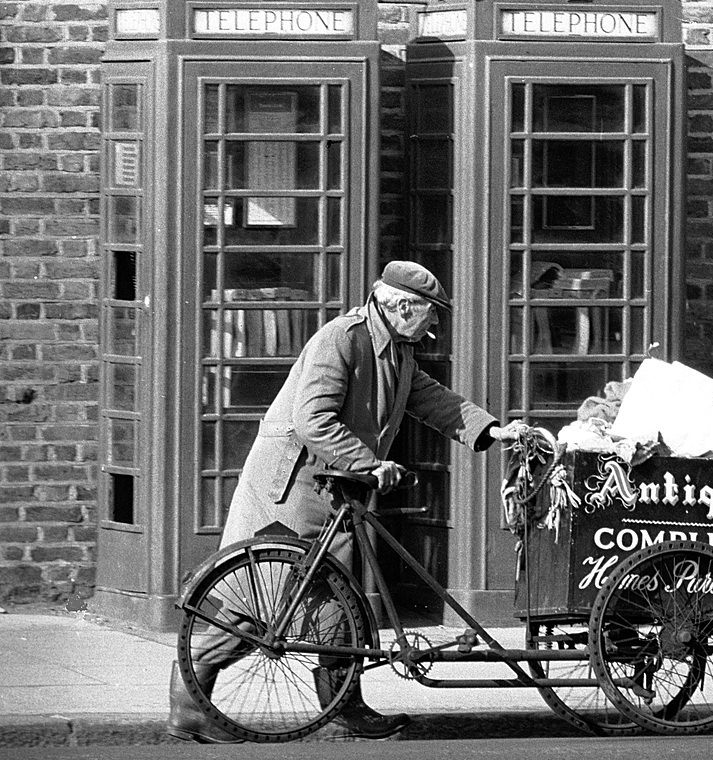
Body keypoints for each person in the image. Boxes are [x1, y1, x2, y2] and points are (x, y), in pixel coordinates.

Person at [168, 260, 523, 743]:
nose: (436, 324)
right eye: (431, 314)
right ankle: (190, 704)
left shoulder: (395, 351)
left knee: (339, 597)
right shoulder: (341, 339)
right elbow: (313, 419)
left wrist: (493, 429)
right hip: (291, 491)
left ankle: (343, 704)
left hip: (333, 488)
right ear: (401, 306)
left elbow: (434, 400)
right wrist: (370, 464)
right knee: (260, 598)